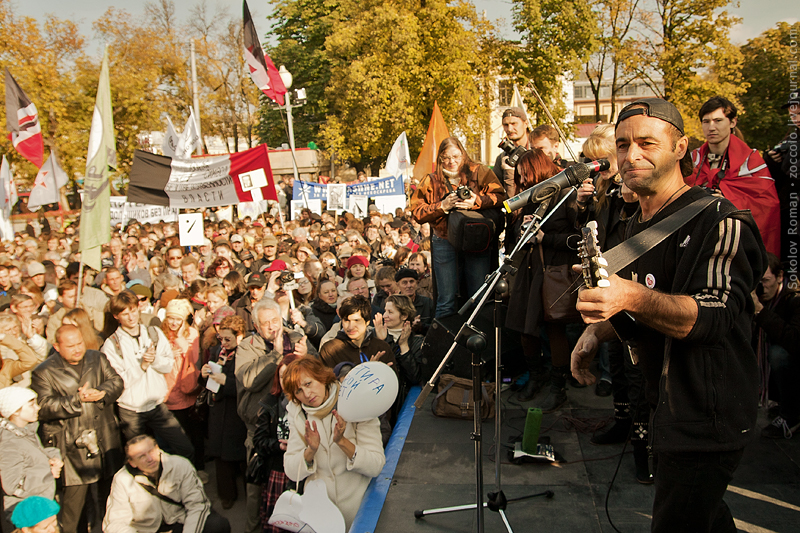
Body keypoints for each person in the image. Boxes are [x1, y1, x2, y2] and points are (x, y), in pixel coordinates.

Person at [571, 98, 766, 532]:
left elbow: (713, 317)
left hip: (705, 412)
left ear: (680, 148)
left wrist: (628, 295)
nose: (631, 155)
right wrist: (597, 333)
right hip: (663, 407)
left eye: (646, 143)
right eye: (622, 145)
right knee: (706, 517)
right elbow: (639, 306)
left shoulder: (721, 222)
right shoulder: (633, 225)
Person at [505, 149, 581, 407]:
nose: (523, 180)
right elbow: (516, 237)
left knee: (555, 328)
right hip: (530, 270)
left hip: (555, 270)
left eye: (526, 174)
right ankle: (537, 377)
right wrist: (521, 227)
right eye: (520, 176)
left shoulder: (566, 194)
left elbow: (580, 239)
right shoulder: (530, 197)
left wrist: (544, 238)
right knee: (525, 329)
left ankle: (558, 388)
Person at [31, 324, 124, 533]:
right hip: (72, 445)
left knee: (111, 498)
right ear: (57, 346)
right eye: (70, 345)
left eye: (80, 343)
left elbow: (117, 382)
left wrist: (102, 392)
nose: (77, 349)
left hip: (104, 436)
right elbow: (43, 406)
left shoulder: (96, 358)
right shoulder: (44, 371)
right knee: (75, 507)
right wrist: (76, 400)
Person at [282, 358, 385, 529]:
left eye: (308, 384)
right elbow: (292, 472)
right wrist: (310, 450)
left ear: (322, 377)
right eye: (298, 391)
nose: (306, 394)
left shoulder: (356, 402)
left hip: (358, 515)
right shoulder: (298, 414)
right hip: (319, 517)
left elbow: (376, 465)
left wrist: (342, 442)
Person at [410, 137, 506, 317]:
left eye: (455, 156)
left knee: (478, 295)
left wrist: (475, 201)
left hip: (475, 237)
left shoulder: (480, 171)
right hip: (444, 238)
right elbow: (416, 212)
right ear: (440, 159)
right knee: (446, 299)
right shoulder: (431, 180)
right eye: (446, 157)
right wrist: (442, 206)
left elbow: (500, 197)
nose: (451, 162)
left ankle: (479, 340)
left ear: (463, 154)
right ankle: (446, 343)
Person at [235, 298, 308, 533]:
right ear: (256, 326)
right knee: (257, 485)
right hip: (260, 426)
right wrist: (275, 355)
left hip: (295, 426)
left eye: (275, 320)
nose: (272, 327)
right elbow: (248, 380)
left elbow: (317, 374)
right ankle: (253, 528)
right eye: (265, 323)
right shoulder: (247, 346)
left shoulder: (295, 338)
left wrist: (307, 355)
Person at [101, 291, 194, 460]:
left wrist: (154, 360)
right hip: (131, 409)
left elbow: (167, 365)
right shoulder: (111, 345)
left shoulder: (153, 333)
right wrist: (142, 366)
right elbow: (118, 382)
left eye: (133, 311)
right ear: (116, 316)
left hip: (156, 404)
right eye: (125, 314)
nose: (131, 317)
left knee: (185, 447)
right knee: (138, 457)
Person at [687, 95, 780, 257]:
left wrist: (727, 201)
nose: (711, 127)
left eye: (718, 120)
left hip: (738, 246)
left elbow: (768, 205)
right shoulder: (691, 160)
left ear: (732, 122)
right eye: (706, 121)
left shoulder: (750, 160)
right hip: (700, 243)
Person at [103, 435, 231, 533]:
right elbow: (115, 522)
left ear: (158, 449)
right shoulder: (122, 479)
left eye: (151, 451)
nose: (149, 459)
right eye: (141, 456)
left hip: (180, 523)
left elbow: (197, 505)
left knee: (217, 525)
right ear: (132, 463)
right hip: (145, 530)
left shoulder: (180, 465)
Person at [202, 315, 248, 509]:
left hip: (236, 413)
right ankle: (226, 495)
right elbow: (206, 384)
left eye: (227, 339)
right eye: (221, 338)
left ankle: (248, 494)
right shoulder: (216, 351)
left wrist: (225, 382)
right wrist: (202, 375)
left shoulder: (246, 354)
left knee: (239, 455)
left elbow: (246, 385)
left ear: (240, 336)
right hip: (217, 410)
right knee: (220, 457)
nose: (223, 343)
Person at [752, 253, 800, 438]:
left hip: (795, 358)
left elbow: (794, 341)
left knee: (778, 353)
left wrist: (760, 312)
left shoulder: (794, 298)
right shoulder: (765, 295)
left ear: (780, 277)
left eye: (766, 280)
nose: (762, 287)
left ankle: (791, 416)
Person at [0, 387, 63, 527]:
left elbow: (32, 456)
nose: (38, 407)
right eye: (31, 404)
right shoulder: (9, 442)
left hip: (39, 509)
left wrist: (52, 458)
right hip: (28, 517)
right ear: (16, 411)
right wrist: (48, 471)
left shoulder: (26, 432)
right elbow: (12, 484)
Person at [493, 106, 532, 197]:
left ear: (525, 124)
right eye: (506, 125)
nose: (509, 129)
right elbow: (496, 189)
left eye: (514, 123)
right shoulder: (502, 158)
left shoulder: (537, 151)